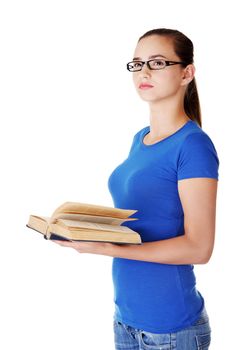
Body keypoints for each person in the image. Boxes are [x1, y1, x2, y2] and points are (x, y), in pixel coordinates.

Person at [53, 28, 219, 350]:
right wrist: (90, 229)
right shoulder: (140, 139)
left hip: (169, 329)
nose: (143, 71)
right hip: (126, 319)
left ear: (187, 73)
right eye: (137, 63)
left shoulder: (193, 146)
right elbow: (147, 219)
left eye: (157, 63)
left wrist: (108, 249)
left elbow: (200, 247)